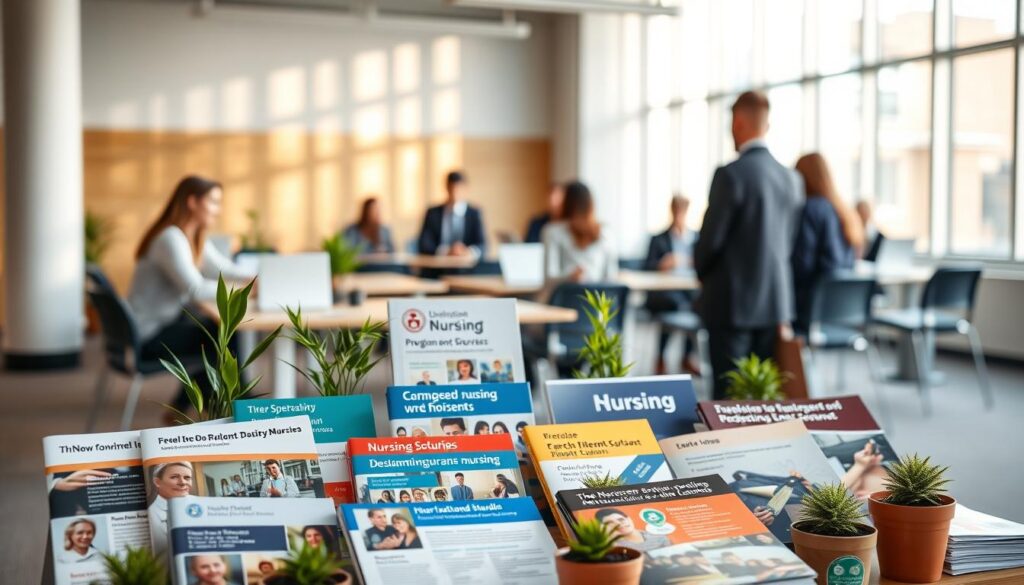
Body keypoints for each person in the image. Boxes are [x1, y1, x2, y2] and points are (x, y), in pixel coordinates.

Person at [693, 91, 803, 400]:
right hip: (775, 303)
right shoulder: (792, 179)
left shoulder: (731, 175)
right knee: (764, 400)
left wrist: (700, 271)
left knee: (728, 396)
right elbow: (789, 243)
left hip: (731, 305)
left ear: (738, 122)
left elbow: (710, 243)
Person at [129, 176, 255, 419]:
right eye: (214, 203)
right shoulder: (170, 238)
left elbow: (223, 268)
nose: (218, 211)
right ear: (192, 202)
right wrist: (246, 290)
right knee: (217, 336)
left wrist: (256, 277)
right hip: (148, 336)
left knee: (214, 330)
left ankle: (190, 408)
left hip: (161, 325)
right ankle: (235, 405)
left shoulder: (189, 236)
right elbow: (194, 289)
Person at [791, 153, 864, 333]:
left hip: (811, 308)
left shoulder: (811, 209)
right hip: (842, 310)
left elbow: (802, 265)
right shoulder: (843, 210)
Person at [644, 194, 699, 375]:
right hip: (666, 291)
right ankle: (660, 357)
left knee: (698, 304)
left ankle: (687, 357)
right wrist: (663, 264)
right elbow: (647, 267)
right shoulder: (658, 239)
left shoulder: (696, 238)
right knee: (673, 304)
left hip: (689, 289)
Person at [542, 181, 618, 284]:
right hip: (597, 299)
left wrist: (569, 277)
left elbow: (549, 277)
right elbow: (611, 278)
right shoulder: (607, 233)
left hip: (564, 297)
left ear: (565, 202)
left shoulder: (552, 232)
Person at [417, 171, 487, 260]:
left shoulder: (474, 213)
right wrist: (446, 251)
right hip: (438, 266)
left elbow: (482, 245)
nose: (455, 193)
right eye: (452, 189)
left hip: (466, 267)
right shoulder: (432, 213)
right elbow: (424, 244)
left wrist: (468, 252)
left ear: (465, 189)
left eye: (458, 189)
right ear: (446, 188)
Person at [148, 461, 194, 556]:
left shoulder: (198, 504)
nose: (182, 482)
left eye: (187, 478)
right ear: (157, 482)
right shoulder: (151, 516)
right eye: (174, 477)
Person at [594, 508, 671, 552]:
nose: (618, 524)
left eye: (621, 519)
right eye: (610, 523)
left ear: (629, 519)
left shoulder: (659, 536)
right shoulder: (611, 547)